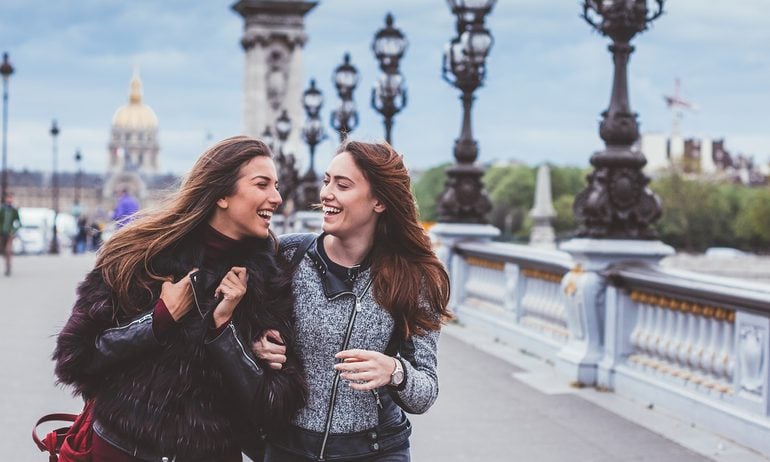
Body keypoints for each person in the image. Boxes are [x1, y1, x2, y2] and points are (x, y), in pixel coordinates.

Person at [53, 136, 306, 461]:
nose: (277, 197)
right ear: (221, 194)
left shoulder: (268, 276)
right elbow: (75, 357)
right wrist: (158, 320)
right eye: (262, 184)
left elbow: (277, 404)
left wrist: (226, 333)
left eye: (276, 186)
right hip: (123, 449)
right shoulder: (141, 255)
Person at [254, 140, 451, 461]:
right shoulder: (286, 255)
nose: (326, 193)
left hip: (376, 450)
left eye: (342, 185)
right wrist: (256, 346)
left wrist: (395, 371)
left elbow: (425, 393)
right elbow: (233, 328)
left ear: (379, 201)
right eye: (327, 181)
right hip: (288, 447)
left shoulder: (414, 278)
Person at [0, 191, 21, 276]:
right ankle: (6, 263)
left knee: (8, 250)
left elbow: (18, 223)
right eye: (8, 197)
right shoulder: (2, 209)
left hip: (10, 234)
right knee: (3, 251)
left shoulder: (14, 210)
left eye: (11, 198)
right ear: (5, 199)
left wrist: (14, 231)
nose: (9, 199)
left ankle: (8, 267)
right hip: (1, 233)